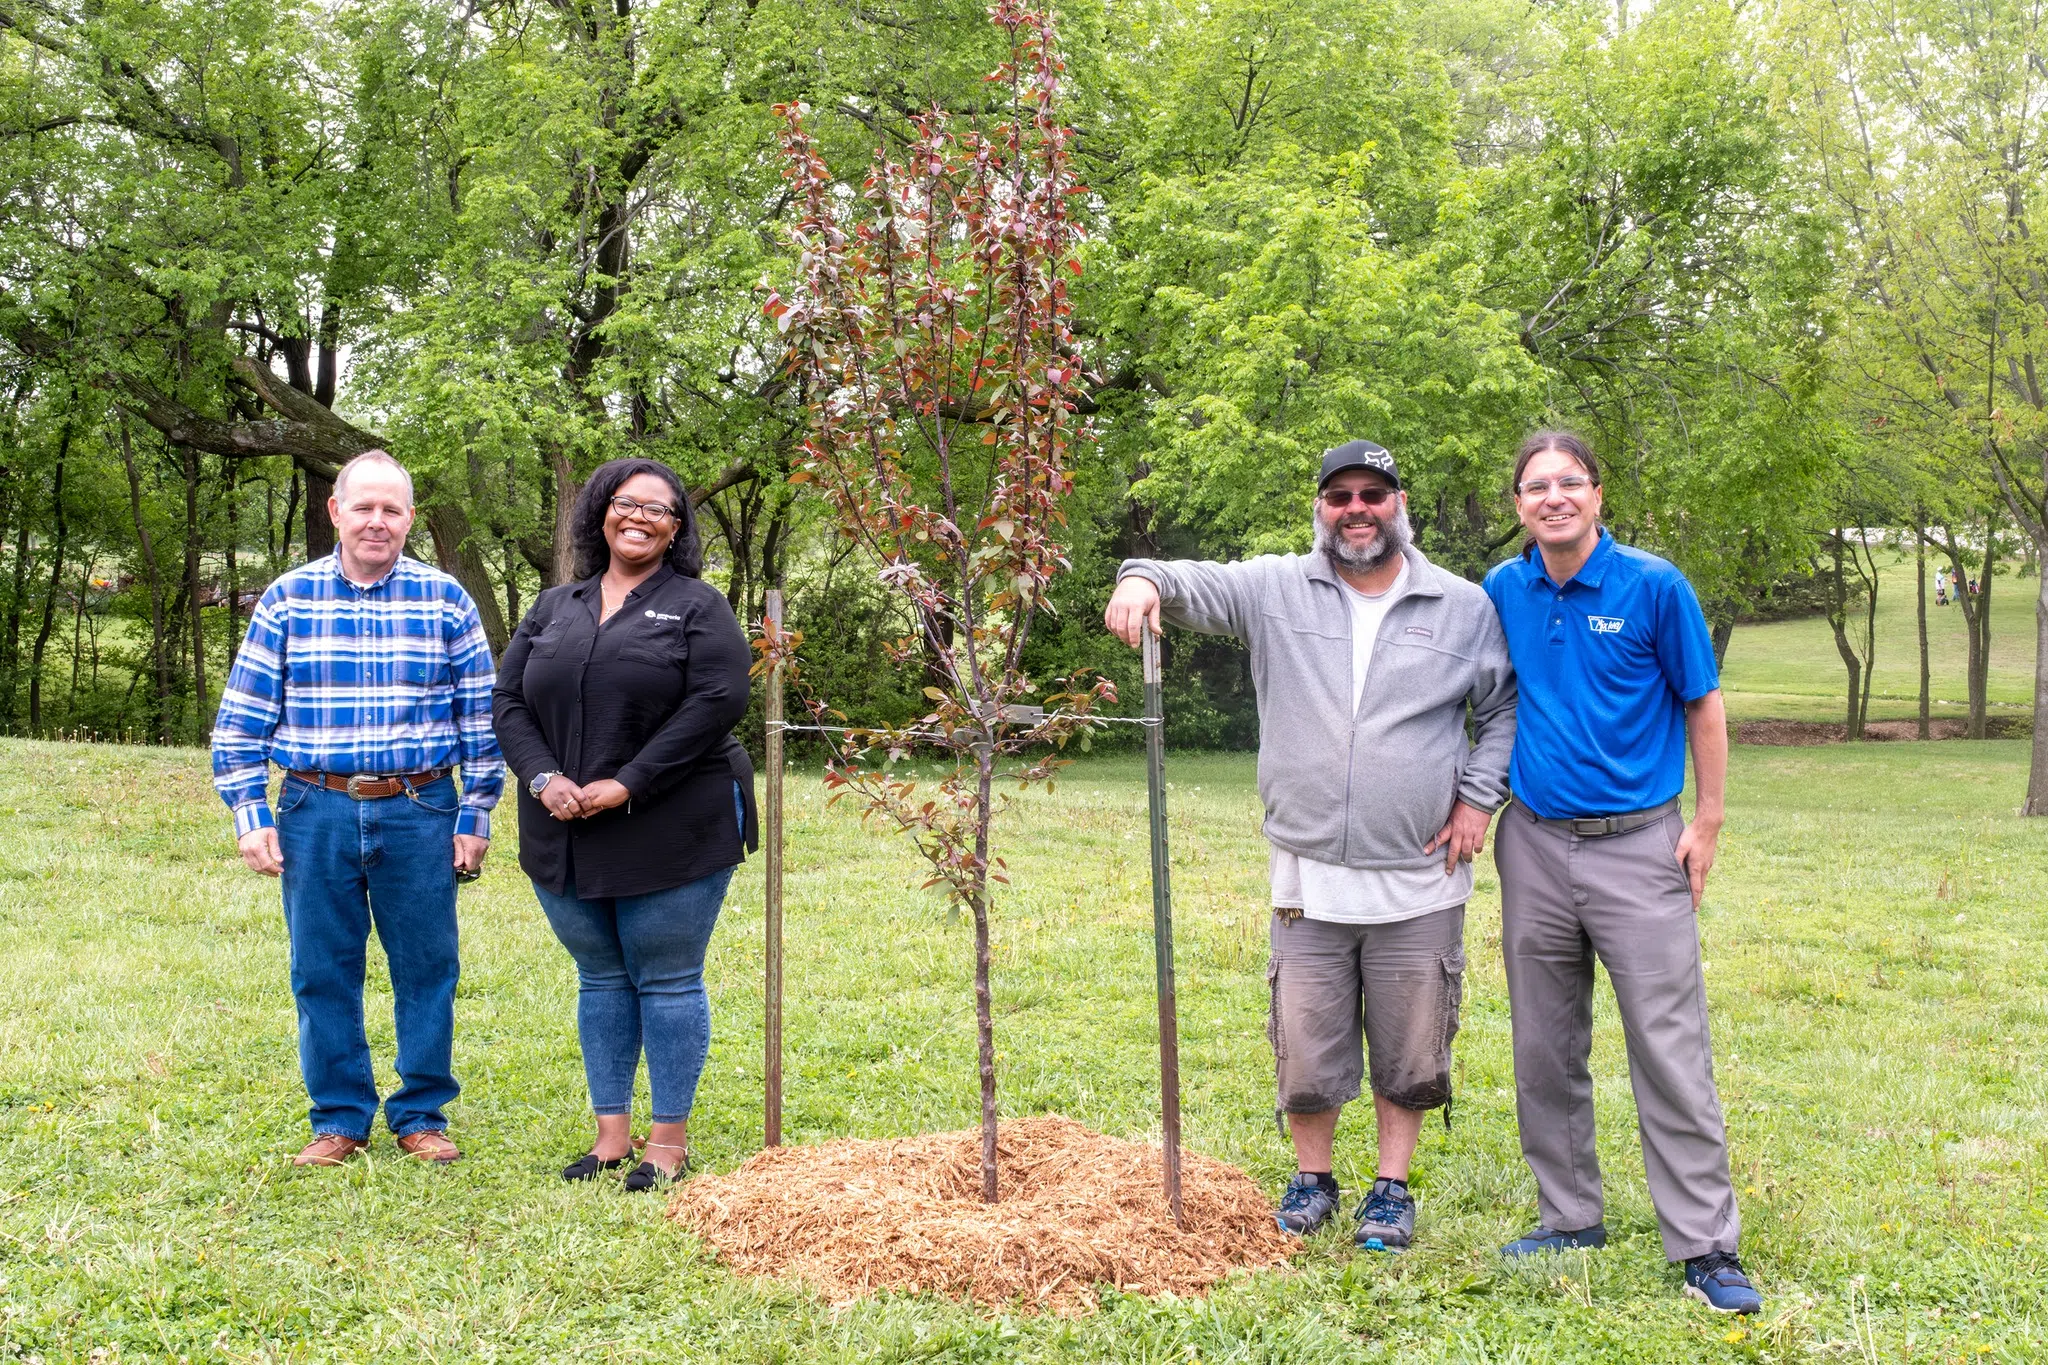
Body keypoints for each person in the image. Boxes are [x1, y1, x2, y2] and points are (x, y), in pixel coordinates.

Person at [1104, 440, 1516, 1252]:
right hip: (1306, 877)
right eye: (1340, 497)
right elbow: (1184, 579)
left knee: (1411, 1043)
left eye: (1373, 493)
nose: (1356, 509)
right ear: (1320, 509)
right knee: (1307, 1039)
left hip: (1421, 878)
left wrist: (1477, 798)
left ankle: (1391, 1190)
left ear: (1401, 503)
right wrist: (1140, 579)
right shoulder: (1275, 588)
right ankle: (1313, 1178)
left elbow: (1500, 709)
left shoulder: (1463, 605)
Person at [1481, 429, 1761, 1315]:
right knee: (1544, 1042)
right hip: (1532, 842)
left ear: (1599, 495)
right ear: (1519, 504)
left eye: (1571, 481)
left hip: (1641, 844)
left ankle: (1707, 1244)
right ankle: (1569, 1215)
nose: (1553, 496)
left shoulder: (1654, 584)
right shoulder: (1502, 590)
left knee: (1668, 1046)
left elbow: (1703, 702)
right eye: (1536, 485)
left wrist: (1707, 823)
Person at [211, 449, 503, 1167]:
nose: (378, 521)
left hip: (421, 805)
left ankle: (421, 1114)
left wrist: (476, 813)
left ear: (409, 519)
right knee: (322, 967)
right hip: (316, 804)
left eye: (392, 509)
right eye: (364, 507)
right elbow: (241, 720)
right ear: (336, 511)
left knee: (427, 967)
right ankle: (339, 1117)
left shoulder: (446, 601)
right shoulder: (287, 599)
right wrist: (252, 813)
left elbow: (482, 723)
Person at [492, 458, 757, 1192]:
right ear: (600, 512)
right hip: (563, 821)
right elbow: (508, 701)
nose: (639, 517)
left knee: (667, 978)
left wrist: (626, 782)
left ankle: (666, 1142)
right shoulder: (553, 605)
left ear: (677, 530)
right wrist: (545, 778)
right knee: (601, 975)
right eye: (626, 502)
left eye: (660, 509)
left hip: (676, 820)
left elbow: (716, 701)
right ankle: (611, 1136)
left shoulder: (698, 606)